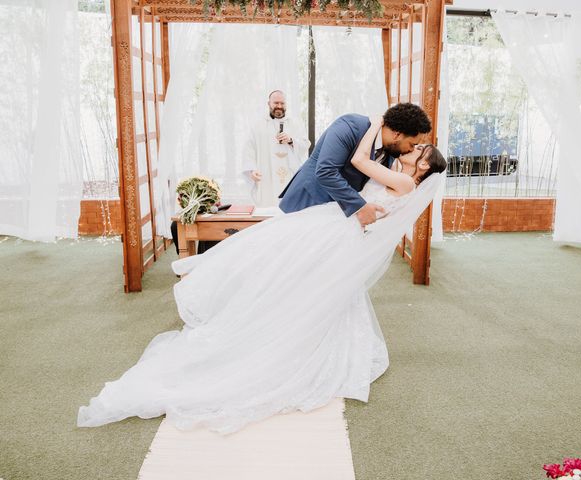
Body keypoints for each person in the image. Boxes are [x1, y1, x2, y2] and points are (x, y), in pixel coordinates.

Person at [77, 116, 447, 435]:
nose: (411, 151)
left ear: (423, 170)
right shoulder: (396, 171)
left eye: (418, 153)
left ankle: (291, 336)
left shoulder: (405, 183)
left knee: (293, 278)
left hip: (337, 229)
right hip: (336, 223)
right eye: (414, 145)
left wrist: (376, 122)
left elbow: (358, 160)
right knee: (298, 282)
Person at [279, 103, 432, 227]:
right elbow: (326, 171)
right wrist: (359, 206)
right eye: (412, 144)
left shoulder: (391, 153)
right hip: (309, 199)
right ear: (397, 134)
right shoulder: (350, 126)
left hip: (339, 214)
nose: (411, 150)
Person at [242, 90, 310, 207]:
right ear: (269, 103)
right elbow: (249, 148)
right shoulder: (258, 125)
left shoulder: (295, 123)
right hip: (266, 174)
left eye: (282, 103)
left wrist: (291, 140)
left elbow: (305, 144)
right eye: (276, 103)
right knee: (268, 204)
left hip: (289, 175)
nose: (279, 106)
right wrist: (251, 169)